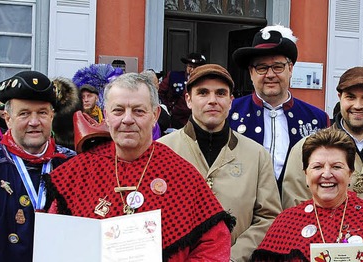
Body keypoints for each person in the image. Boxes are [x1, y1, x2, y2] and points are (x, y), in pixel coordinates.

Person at [47, 73, 235, 261]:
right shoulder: (77, 172)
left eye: (138, 111)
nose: (127, 119)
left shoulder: (182, 174)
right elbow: (55, 244)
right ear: (106, 115)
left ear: (155, 115)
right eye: (118, 111)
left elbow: (214, 245)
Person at [159, 64, 282, 261]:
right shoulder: (162, 152)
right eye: (203, 93)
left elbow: (269, 217)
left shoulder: (257, 155)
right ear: (189, 100)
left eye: (221, 93)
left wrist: (231, 256)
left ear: (231, 101)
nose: (212, 101)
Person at [251, 128, 363, 261]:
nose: (326, 174)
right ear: (306, 174)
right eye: (317, 167)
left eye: (337, 167)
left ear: (350, 173)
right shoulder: (285, 223)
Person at [281, 67, 363, 209]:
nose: (358, 105)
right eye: (350, 97)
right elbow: (294, 207)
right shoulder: (305, 148)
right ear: (340, 98)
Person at [0, 71, 76, 262]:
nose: (34, 122)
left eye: (42, 112)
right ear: (8, 118)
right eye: (24, 113)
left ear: (52, 116)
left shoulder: (72, 165)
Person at [229, 25, 329, 191]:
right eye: (261, 67)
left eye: (277, 67)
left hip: (299, 211)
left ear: (290, 69)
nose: (270, 75)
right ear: (251, 73)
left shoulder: (317, 118)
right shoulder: (230, 113)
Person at [159, 52, 207, 129]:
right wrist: (167, 108)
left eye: (195, 67)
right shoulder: (174, 76)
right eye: (190, 66)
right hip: (176, 119)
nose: (192, 70)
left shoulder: (206, 81)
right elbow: (160, 92)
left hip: (198, 120)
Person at [141, 69, 171, 137]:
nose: (159, 84)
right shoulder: (143, 103)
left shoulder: (159, 99)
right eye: (157, 82)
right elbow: (165, 122)